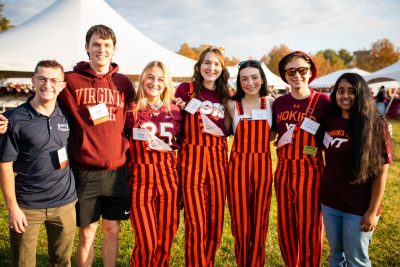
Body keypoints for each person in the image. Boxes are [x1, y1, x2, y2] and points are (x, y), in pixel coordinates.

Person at [58, 25, 135, 266]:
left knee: (112, 230)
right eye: (96, 45)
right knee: (87, 232)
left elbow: (138, 116)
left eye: (106, 46)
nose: (101, 50)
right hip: (85, 171)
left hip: (117, 171)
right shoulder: (70, 80)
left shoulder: (123, 83)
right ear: (87, 48)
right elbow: (42, 99)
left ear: (114, 50)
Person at [0, 60, 77, 266]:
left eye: (54, 80)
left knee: (62, 261)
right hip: (27, 205)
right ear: (33, 81)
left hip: (65, 203)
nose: (47, 85)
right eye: (42, 79)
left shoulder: (67, 115)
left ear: (62, 86)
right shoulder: (14, 119)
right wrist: (13, 208)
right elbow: (5, 165)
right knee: (23, 263)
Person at [321, 73, 392, 267]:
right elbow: (313, 147)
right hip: (330, 203)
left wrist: (371, 212)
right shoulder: (330, 120)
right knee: (336, 256)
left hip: (358, 208)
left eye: (351, 91)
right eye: (341, 91)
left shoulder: (375, 124)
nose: (345, 96)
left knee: (356, 260)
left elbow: (381, 172)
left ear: (360, 94)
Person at [273, 51, 330, 267]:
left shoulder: (323, 101)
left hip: (311, 170)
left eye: (302, 70)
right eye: (291, 71)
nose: (297, 75)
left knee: (310, 227)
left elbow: (346, 123)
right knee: (286, 226)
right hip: (284, 170)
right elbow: (268, 132)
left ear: (310, 72)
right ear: (285, 76)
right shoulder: (278, 103)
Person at [175, 46, 230, 267]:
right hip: (192, 162)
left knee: (215, 221)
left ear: (222, 68)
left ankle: (208, 262)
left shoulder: (227, 94)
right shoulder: (184, 90)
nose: (211, 67)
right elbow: (172, 121)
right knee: (196, 221)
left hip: (218, 162)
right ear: (199, 66)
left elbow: (233, 126)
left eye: (216, 63)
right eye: (207, 62)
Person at [125, 61, 181, 266]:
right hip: (140, 180)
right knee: (146, 241)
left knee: (165, 240)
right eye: (150, 77)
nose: (154, 83)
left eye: (160, 79)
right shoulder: (130, 110)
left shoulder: (175, 111)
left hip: (169, 180)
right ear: (142, 79)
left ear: (166, 83)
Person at [226, 60, 274, 266]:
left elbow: (278, 131)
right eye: (244, 79)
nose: (250, 82)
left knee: (260, 222)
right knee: (240, 222)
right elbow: (221, 131)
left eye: (254, 77)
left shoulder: (271, 102)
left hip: (263, 167)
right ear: (239, 81)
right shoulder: (230, 104)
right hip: (238, 168)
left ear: (262, 78)